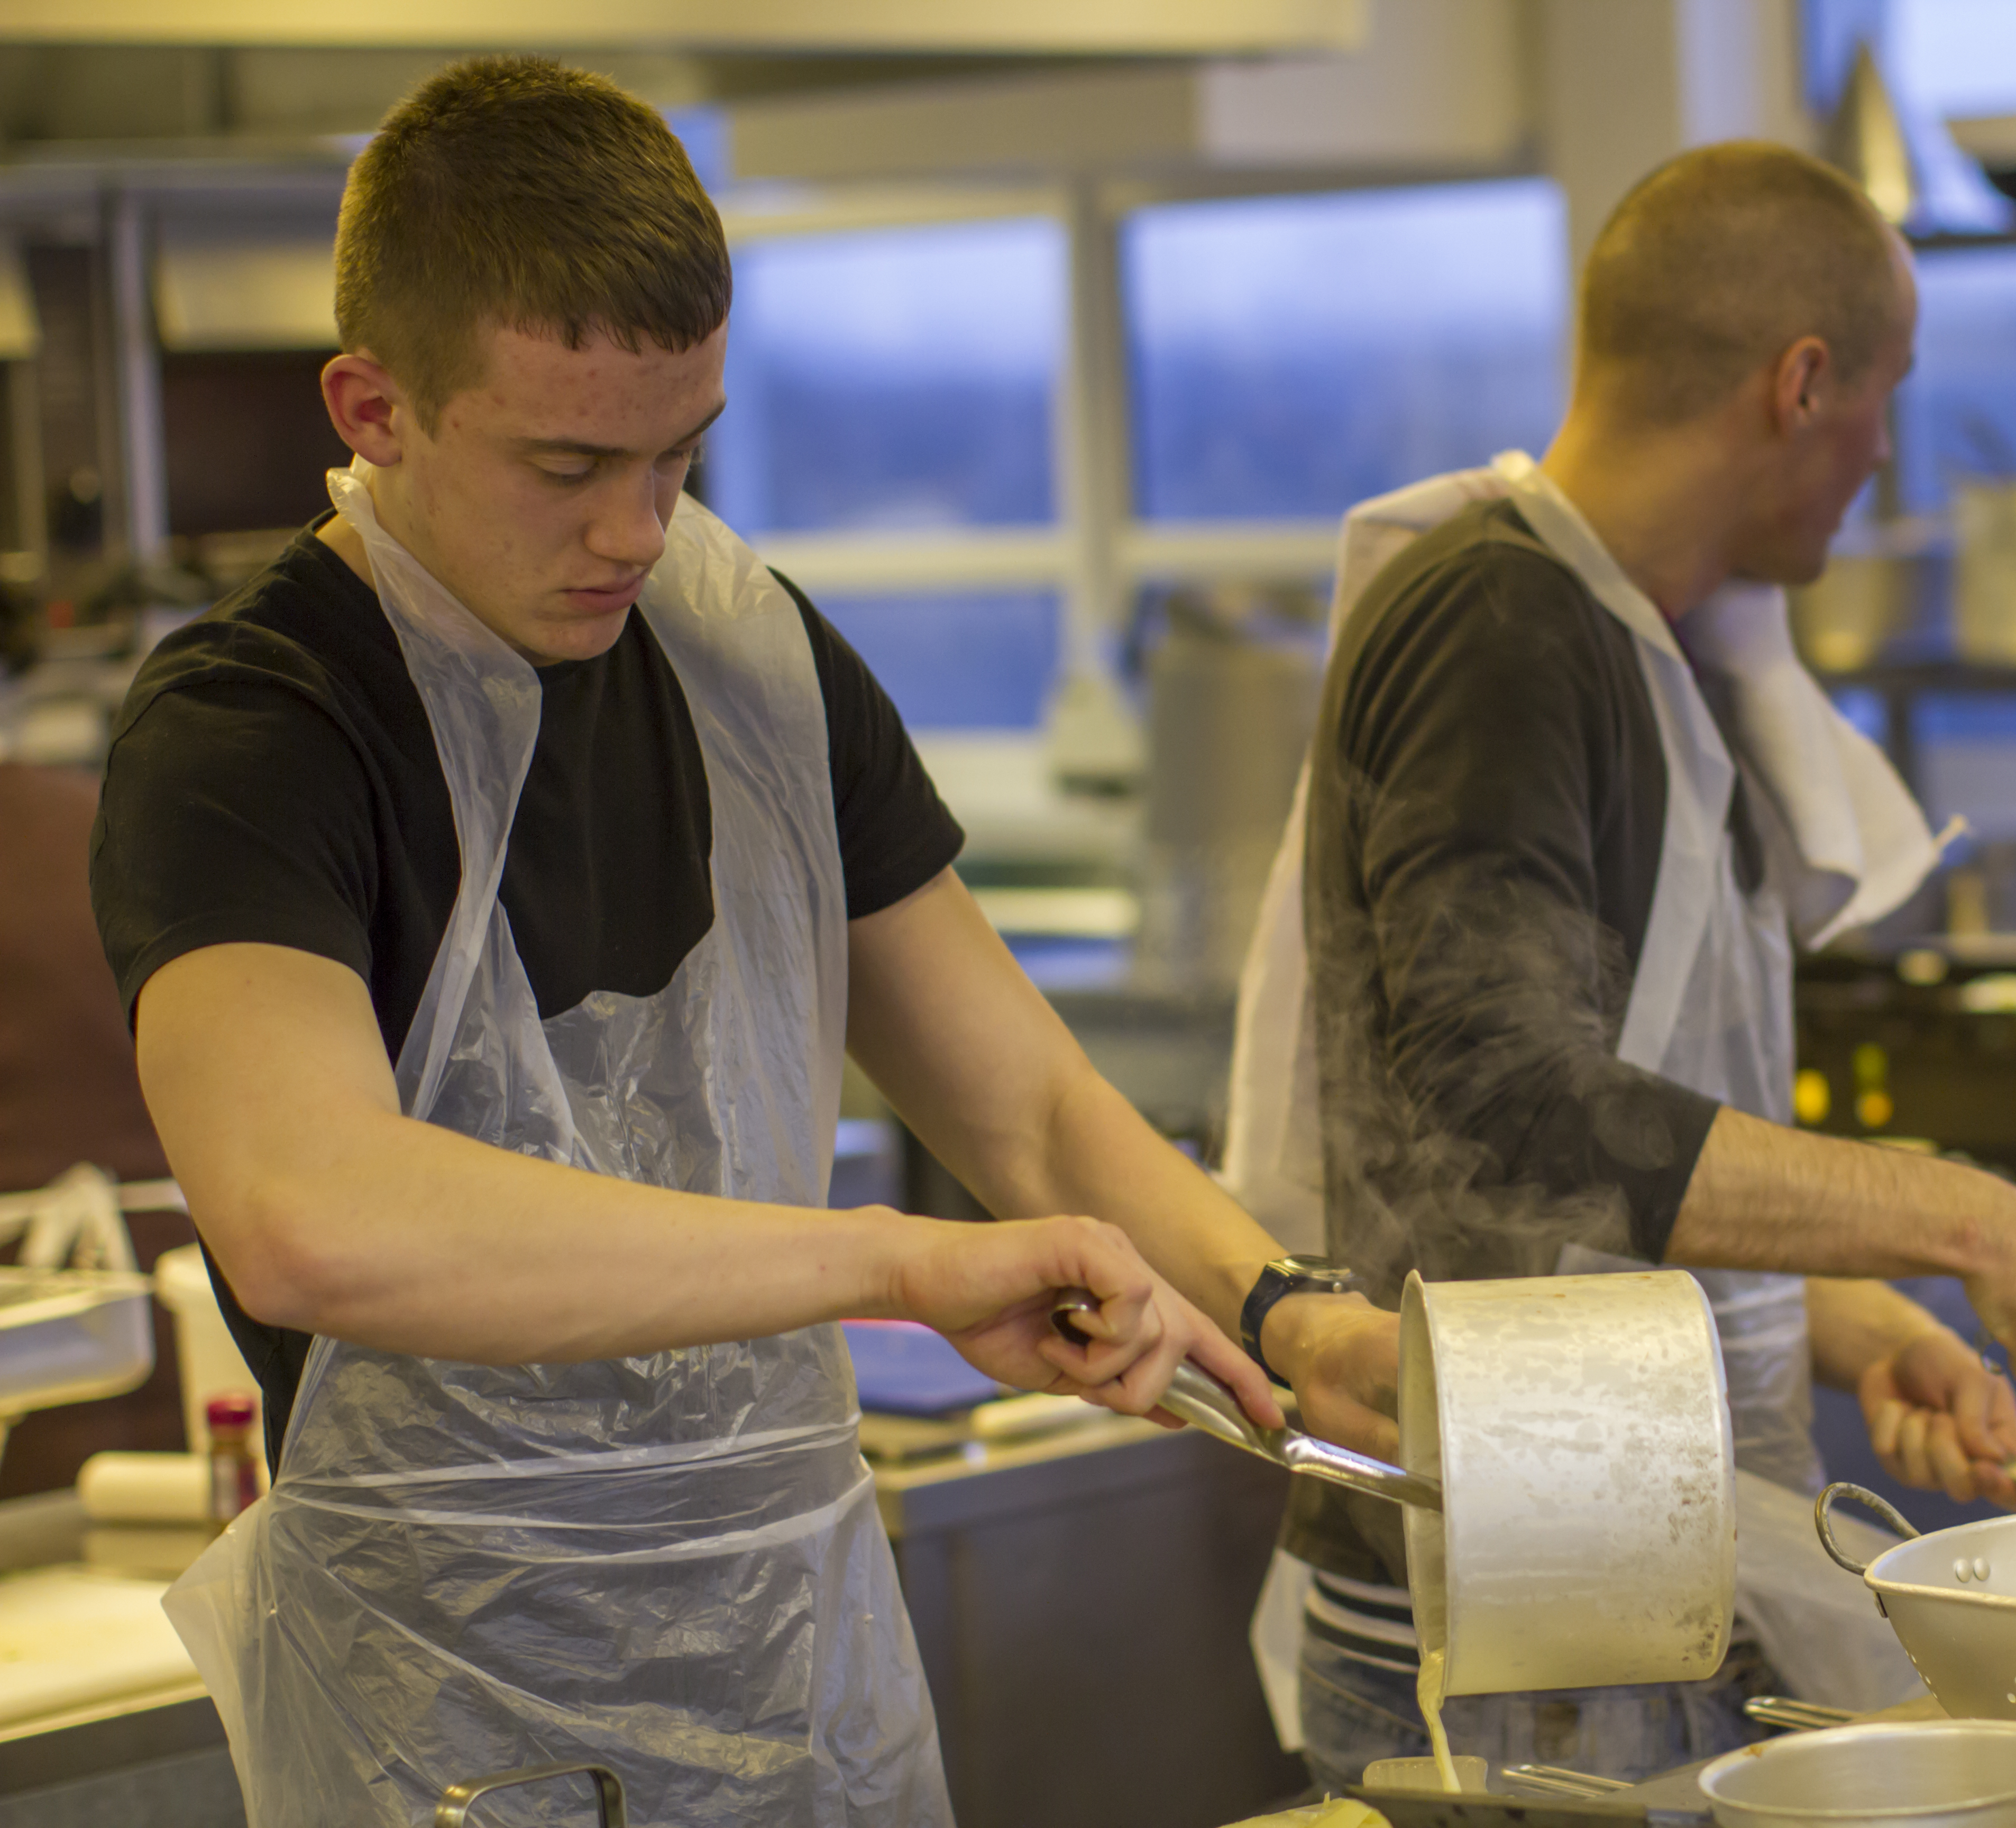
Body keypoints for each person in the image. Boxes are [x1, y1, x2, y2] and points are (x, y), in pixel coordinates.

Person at [90, 57, 1392, 1825]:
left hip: (801, 1676)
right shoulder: (255, 729)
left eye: (679, 451)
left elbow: (1025, 1106)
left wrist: (1279, 1304)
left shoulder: (750, 662)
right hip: (456, 1722)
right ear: (373, 406)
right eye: (567, 463)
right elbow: (314, 1214)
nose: (638, 530)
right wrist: (889, 1263)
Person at [1221, 141, 2016, 1790]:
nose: (1884, 453)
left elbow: (1619, 1158)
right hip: (1502, 1615)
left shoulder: (1660, 649)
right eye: (1884, 395)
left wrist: (1838, 1318)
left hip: (1624, 1569)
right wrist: (1973, 1215)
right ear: (1804, 383)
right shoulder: (1501, 626)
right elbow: (1511, 1105)